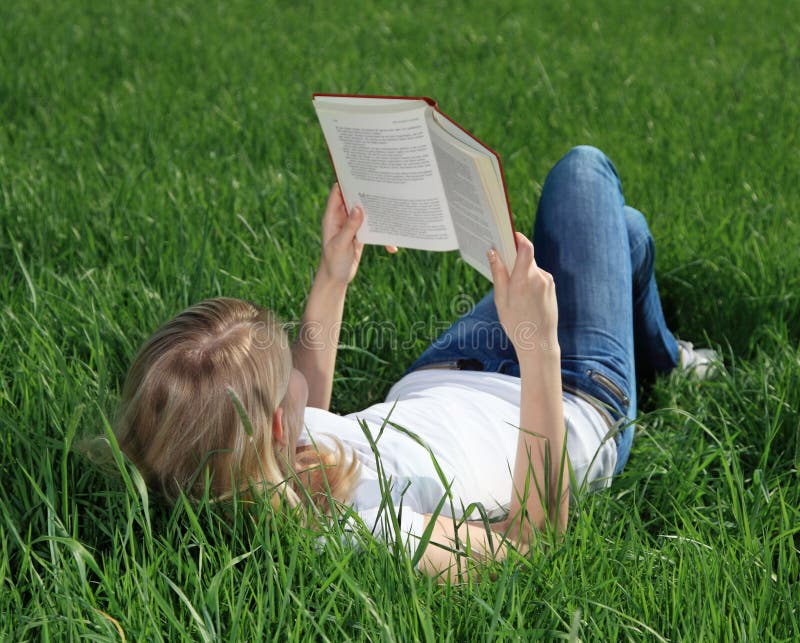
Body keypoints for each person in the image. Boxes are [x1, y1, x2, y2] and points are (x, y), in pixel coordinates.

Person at [110, 146, 717, 578]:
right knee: (584, 179)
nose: (299, 373)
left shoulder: (252, 472)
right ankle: (664, 360)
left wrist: (333, 274)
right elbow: (534, 541)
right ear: (270, 424)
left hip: (444, 372)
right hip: (565, 393)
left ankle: (663, 354)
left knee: (615, 235)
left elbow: (307, 415)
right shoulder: (363, 536)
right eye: (285, 373)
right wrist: (537, 345)